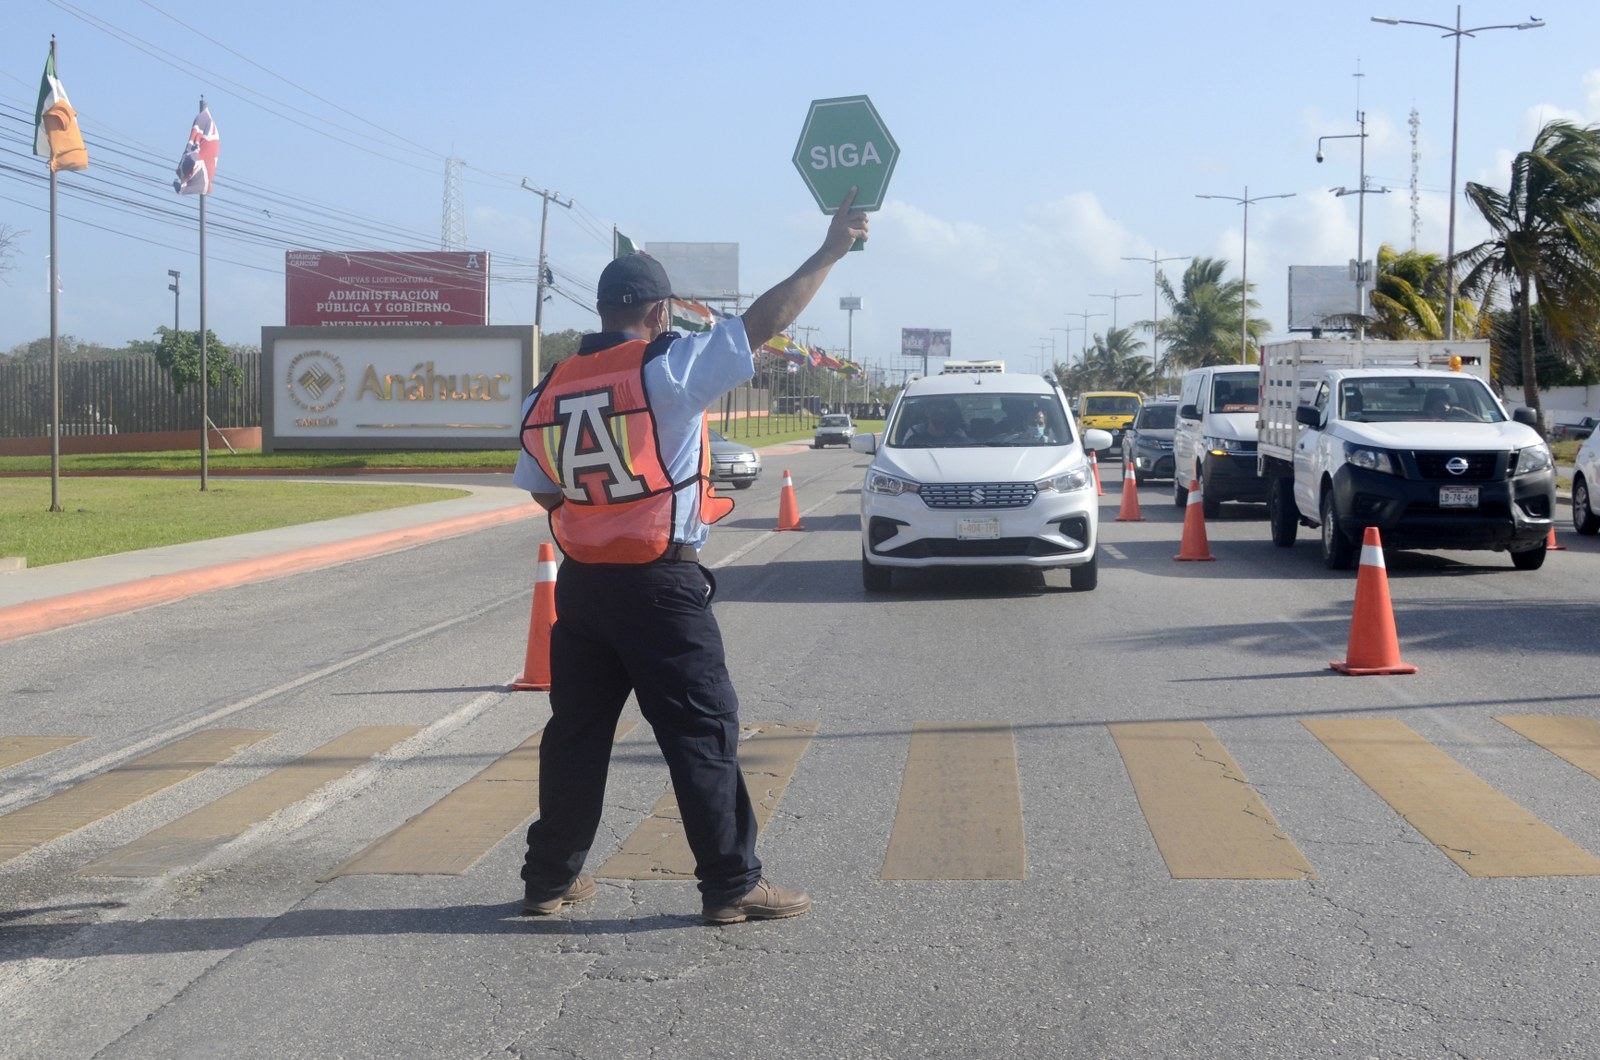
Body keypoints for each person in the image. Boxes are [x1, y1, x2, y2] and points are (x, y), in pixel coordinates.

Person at [513, 189, 869, 925]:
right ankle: (732, 884)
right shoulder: (665, 371)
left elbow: (543, 490)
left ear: (603, 310)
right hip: (658, 586)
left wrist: (599, 516)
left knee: (575, 734)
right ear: (657, 312)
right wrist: (830, 252)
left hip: (583, 590)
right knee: (701, 730)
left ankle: (550, 879)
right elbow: (764, 324)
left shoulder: (550, 387)